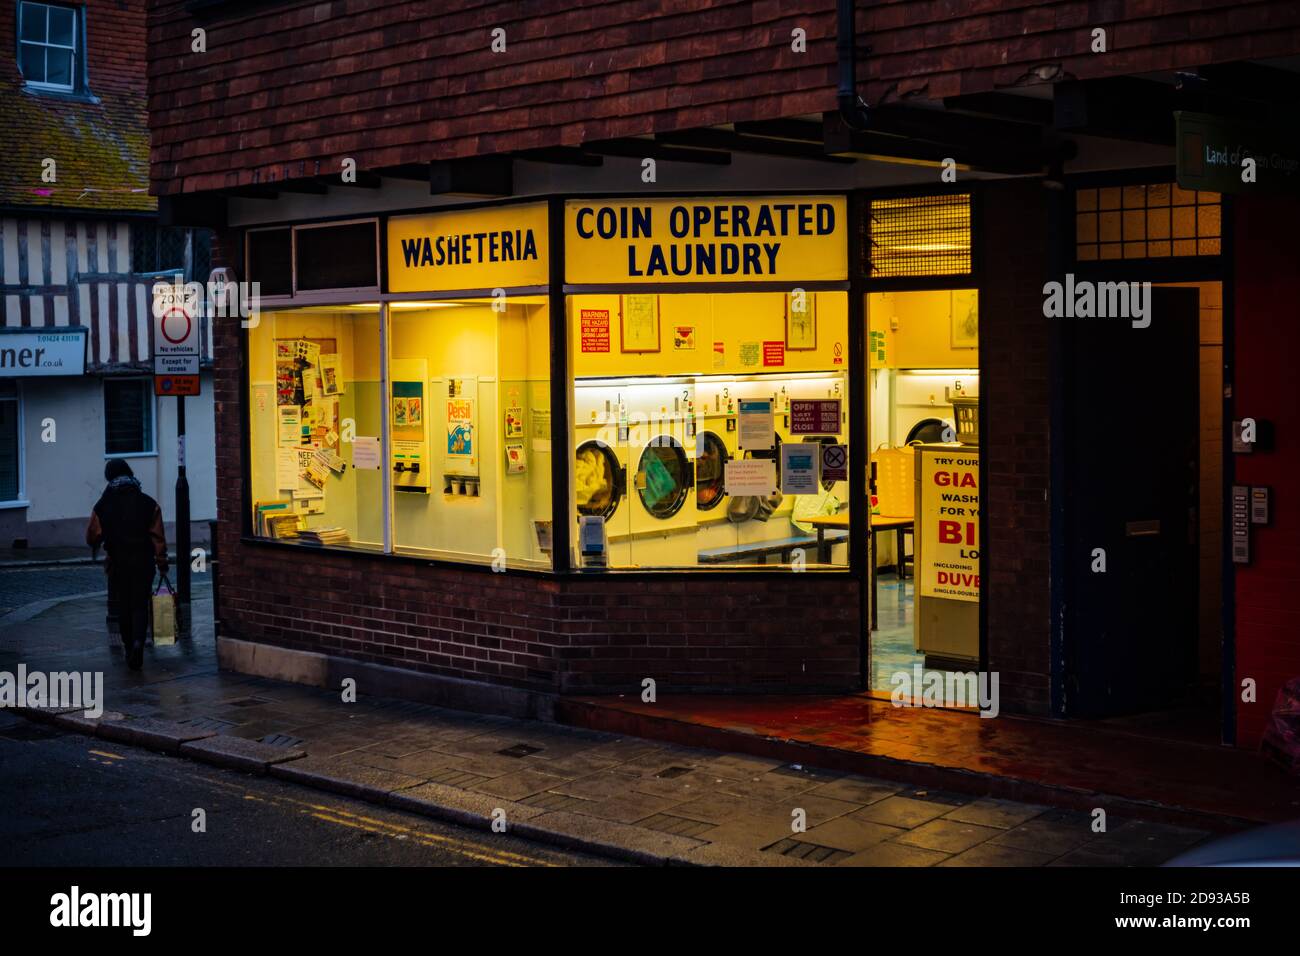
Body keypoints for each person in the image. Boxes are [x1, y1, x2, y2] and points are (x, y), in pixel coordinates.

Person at [86, 459, 168, 670]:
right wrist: (162, 562)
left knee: (123, 605)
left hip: (118, 562)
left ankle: (129, 646)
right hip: (143, 561)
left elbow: (92, 535)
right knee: (140, 604)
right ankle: (140, 641)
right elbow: (158, 537)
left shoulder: (103, 504)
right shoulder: (149, 503)